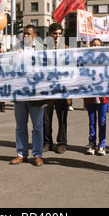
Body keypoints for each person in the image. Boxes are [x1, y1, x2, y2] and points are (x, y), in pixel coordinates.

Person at [10, 25, 45, 166]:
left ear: (35, 35)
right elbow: (8, 68)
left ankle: (37, 154)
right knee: (20, 126)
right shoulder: (15, 49)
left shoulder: (42, 50)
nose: (26, 36)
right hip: (20, 93)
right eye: (24, 33)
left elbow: (47, 71)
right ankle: (21, 153)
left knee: (37, 126)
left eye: (29, 34)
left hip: (36, 94)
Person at [43, 23, 69, 154]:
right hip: (47, 90)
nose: (57, 36)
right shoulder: (42, 50)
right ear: (49, 34)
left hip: (62, 89)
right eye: (54, 33)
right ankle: (47, 142)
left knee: (62, 118)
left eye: (59, 33)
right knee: (46, 119)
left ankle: (62, 143)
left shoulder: (67, 49)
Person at [83, 38, 109, 156]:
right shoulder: (86, 60)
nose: (95, 47)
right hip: (90, 96)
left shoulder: (106, 60)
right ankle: (92, 143)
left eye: (98, 45)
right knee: (92, 121)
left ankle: (102, 145)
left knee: (102, 121)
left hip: (103, 96)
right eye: (93, 45)